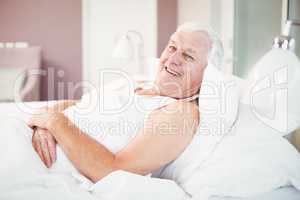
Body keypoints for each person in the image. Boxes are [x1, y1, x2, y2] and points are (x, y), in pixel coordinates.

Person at [16, 22, 223, 184]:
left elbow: (114, 171)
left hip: (40, 164)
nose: (172, 59)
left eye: (188, 56)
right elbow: (78, 105)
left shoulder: (181, 113)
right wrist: (44, 125)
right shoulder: (137, 84)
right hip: (31, 137)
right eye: (172, 47)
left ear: (208, 75)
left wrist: (55, 123)